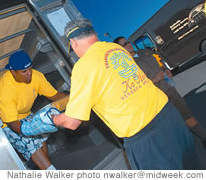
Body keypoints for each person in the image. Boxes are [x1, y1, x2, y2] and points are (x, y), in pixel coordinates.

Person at [52, 18, 200, 169]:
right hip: (170, 116)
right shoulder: (117, 49)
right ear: (94, 34)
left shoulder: (83, 67)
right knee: (191, 166)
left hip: (146, 135)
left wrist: (52, 118)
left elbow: (72, 122)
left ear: (73, 43)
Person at [113, 36, 206, 147]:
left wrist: (165, 69)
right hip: (156, 99)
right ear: (120, 49)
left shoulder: (144, 52)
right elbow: (135, 88)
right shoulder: (126, 67)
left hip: (169, 89)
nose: (128, 44)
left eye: (128, 42)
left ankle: (203, 137)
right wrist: (155, 79)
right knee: (172, 123)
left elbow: (159, 60)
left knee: (186, 113)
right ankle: (183, 146)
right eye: (124, 44)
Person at [0, 50, 67, 170]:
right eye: (24, 71)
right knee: (30, 143)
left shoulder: (36, 76)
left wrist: (74, 100)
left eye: (30, 69)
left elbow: (54, 95)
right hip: (3, 122)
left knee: (40, 138)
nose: (29, 73)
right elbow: (13, 124)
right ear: (13, 72)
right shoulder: (3, 89)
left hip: (24, 113)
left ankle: (42, 168)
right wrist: (30, 129)